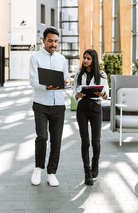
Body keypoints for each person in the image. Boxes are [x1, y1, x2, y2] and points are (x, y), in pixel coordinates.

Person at [29, 27, 69, 187]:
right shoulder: (35, 57)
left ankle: (52, 173)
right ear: (44, 40)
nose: (53, 44)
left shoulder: (62, 59)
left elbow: (65, 77)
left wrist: (65, 82)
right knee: (42, 137)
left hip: (58, 105)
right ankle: (38, 168)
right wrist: (46, 86)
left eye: (56, 41)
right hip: (40, 104)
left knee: (57, 141)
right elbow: (33, 80)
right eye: (50, 41)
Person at [72, 49, 109, 185]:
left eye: (88, 58)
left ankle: (95, 165)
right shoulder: (78, 74)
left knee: (96, 141)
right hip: (82, 108)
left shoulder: (102, 75)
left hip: (96, 108)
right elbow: (74, 93)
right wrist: (78, 95)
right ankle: (87, 172)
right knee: (85, 141)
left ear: (93, 60)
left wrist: (102, 94)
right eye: (84, 58)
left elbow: (106, 95)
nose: (85, 61)